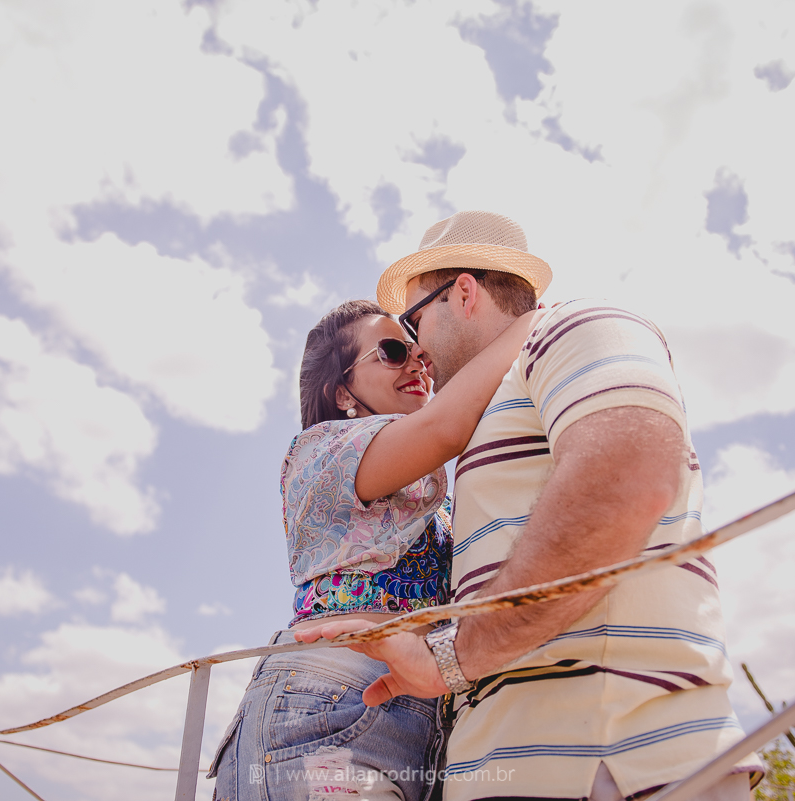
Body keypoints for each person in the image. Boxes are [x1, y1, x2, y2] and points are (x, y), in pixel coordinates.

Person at [300, 211, 764, 801]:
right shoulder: (489, 411)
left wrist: (455, 655)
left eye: (415, 324)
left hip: (610, 757)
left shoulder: (572, 326)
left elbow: (626, 478)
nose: (417, 352)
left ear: (463, 292)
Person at [209, 298, 541, 801]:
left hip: (423, 714)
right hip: (328, 702)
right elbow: (447, 427)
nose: (418, 362)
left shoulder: (437, 507)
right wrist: (536, 322)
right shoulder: (318, 452)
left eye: (418, 350)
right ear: (342, 390)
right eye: (392, 350)